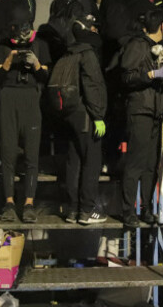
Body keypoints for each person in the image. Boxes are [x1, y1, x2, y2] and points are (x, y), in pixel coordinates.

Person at [119, 10, 163, 228]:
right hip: (140, 110)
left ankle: (145, 208)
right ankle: (128, 211)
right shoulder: (138, 45)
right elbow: (126, 77)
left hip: (156, 113)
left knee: (151, 165)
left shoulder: (162, 52)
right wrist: (152, 74)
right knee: (136, 163)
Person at [49, 14, 108, 224]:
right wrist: (99, 116)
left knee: (73, 162)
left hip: (69, 116)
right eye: (92, 29)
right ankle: (87, 210)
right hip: (86, 116)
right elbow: (93, 86)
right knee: (92, 163)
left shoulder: (67, 54)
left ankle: (72, 210)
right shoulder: (87, 53)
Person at [0, 17, 51, 223]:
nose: (21, 39)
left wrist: (36, 63)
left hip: (31, 97)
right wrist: (9, 60)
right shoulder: (2, 45)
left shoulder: (40, 45)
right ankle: (9, 203)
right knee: (8, 152)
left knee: (31, 154)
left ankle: (28, 203)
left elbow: (46, 76)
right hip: (8, 96)